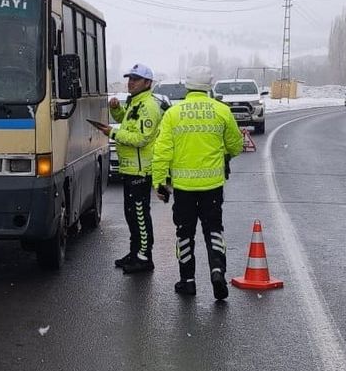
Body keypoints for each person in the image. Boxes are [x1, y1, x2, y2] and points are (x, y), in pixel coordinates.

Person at [151, 70, 244, 300]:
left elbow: (161, 151)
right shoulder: (221, 111)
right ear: (209, 86)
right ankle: (217, 271)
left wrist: (159, 183)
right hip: (212, 186)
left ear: (187, 86)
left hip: (184, 189)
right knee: (214, 230)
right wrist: (223, 155)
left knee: (184, 234)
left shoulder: (173, 114)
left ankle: (188, 281)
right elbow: (236, 144)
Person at [95, 63, 163, 273]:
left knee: (140, 216)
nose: (130, 83)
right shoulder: (135, 103)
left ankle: (144, 257)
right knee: (131, 214)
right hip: (130, 169)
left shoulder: (148, 106)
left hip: (140, 171)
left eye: (135, 79)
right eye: (130, 78)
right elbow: (128, 123)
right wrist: (117, 110)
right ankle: (135, 253)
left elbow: (141, 138)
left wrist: (112, 133)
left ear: (147, 83)